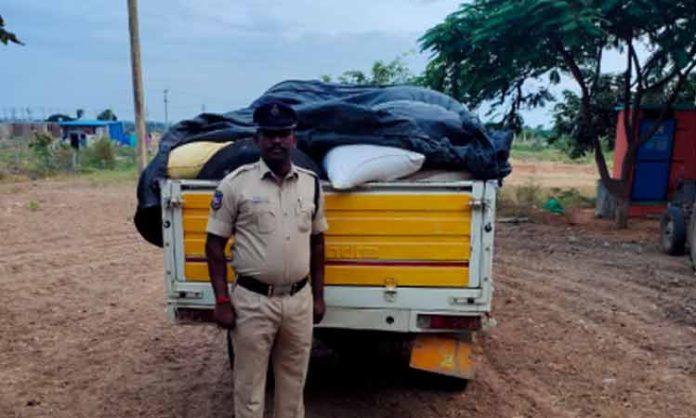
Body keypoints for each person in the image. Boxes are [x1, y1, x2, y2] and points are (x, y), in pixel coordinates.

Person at [205, 101, 328, 418]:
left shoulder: (311, 185)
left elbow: (317, 242)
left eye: (283, 134)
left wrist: (318, 296)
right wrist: (221, 299)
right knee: (249, 389)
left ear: (293, 140)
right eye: (269, 134)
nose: (277, 140)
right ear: (257, 139)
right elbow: (214, 245)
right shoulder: (235, 184)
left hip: (299, 302)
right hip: (252, 303)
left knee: (293, 386)